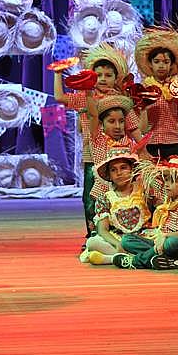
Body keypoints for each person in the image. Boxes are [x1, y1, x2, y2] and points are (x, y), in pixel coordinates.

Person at [53, 43, 131, 244]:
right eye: (99, 75)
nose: (103, 79)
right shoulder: (83, 96)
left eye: (108, 75)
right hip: (92, 152)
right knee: (90, 196)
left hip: (116, 152)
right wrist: (58, 73)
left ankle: (116, 231)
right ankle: (93, 235)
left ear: (116, 78)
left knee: (117, 193)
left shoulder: (121, 98)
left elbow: (131, 125)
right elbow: (59, 97)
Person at [113, 157, 178, 270]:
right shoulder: (169, 201)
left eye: (172, 181)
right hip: (163, 243)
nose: (166, 184)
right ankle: (169, 261)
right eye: (166, 180)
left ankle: (135, 261)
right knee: (127, 240)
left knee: (172, 243)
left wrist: (165, 236)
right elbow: (154, 182)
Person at [81, 147, 150, 265]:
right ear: (109, 175)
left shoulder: (144, 191)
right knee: (92, 243)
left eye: (123, 168)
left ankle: (113, 259)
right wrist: (117, 244)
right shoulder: (105, 198)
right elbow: (102, 230)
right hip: (119, 238)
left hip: (143, 238)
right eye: (113, 170)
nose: (119, 173)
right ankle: (136, 257)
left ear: (132, 169)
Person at [134, 27, 178, 159]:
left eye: (166, 62)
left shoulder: (177, 87)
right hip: (151, 141)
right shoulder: (143, 88)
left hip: (173, 141)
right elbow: (140, 123)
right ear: (150, 64)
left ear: (171, 65)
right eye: (156, 62)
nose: (161, 65)